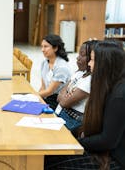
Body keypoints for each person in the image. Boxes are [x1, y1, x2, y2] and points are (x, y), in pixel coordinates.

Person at [45, 40, 125, 170]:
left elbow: (107, 140)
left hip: (115, 159)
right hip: (103, 151)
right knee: (50, 154)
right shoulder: (108, 86)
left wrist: (74, 143)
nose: (89, 64)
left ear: (104, 64)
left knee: (52, 160)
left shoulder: (119, 95)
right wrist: (71, 134)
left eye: (92, 60)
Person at [55, 40, 98, 134]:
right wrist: (65, 94)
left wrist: (65, 94)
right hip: (61, 113)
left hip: (72, 120)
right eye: (79, 54)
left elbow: (64, 102)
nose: (78, 58)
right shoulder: (80, 73)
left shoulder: (90, 80)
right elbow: (59, 97)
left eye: (82, 55)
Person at [39, 34, 71, 109]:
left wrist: (33, 96)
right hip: (46, 97)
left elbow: (50, 91)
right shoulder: (45, 63)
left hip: (56, 102)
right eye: (42, 46)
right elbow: (43, 87)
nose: (42, 50)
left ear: (55, 48)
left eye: (46, 46)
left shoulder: (61, 67)